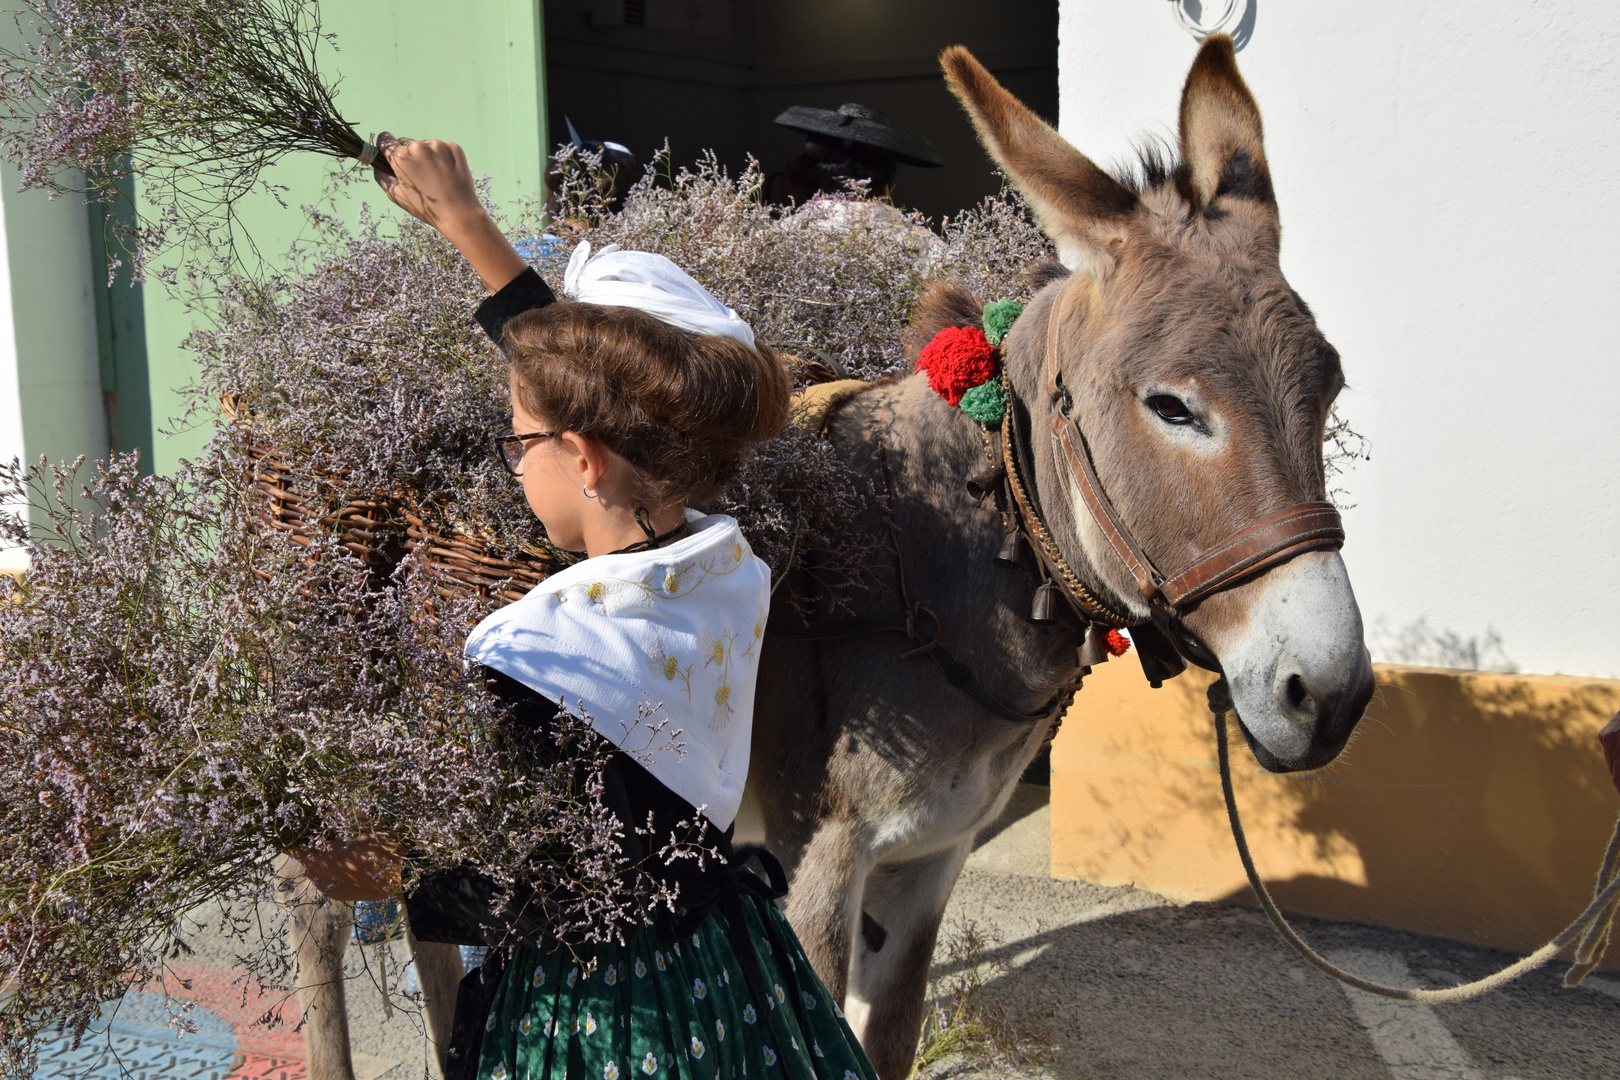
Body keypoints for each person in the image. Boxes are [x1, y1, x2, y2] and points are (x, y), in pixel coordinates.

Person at [293, 133, 882, 1080]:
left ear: (585, 457)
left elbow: (480, 881)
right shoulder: (726, 561)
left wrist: (334, 848)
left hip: (600, 1012)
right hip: (722, 959)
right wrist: (466, 225)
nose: (513, 460)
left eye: (516, 439)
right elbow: (605, 386)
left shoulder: (537, 654)